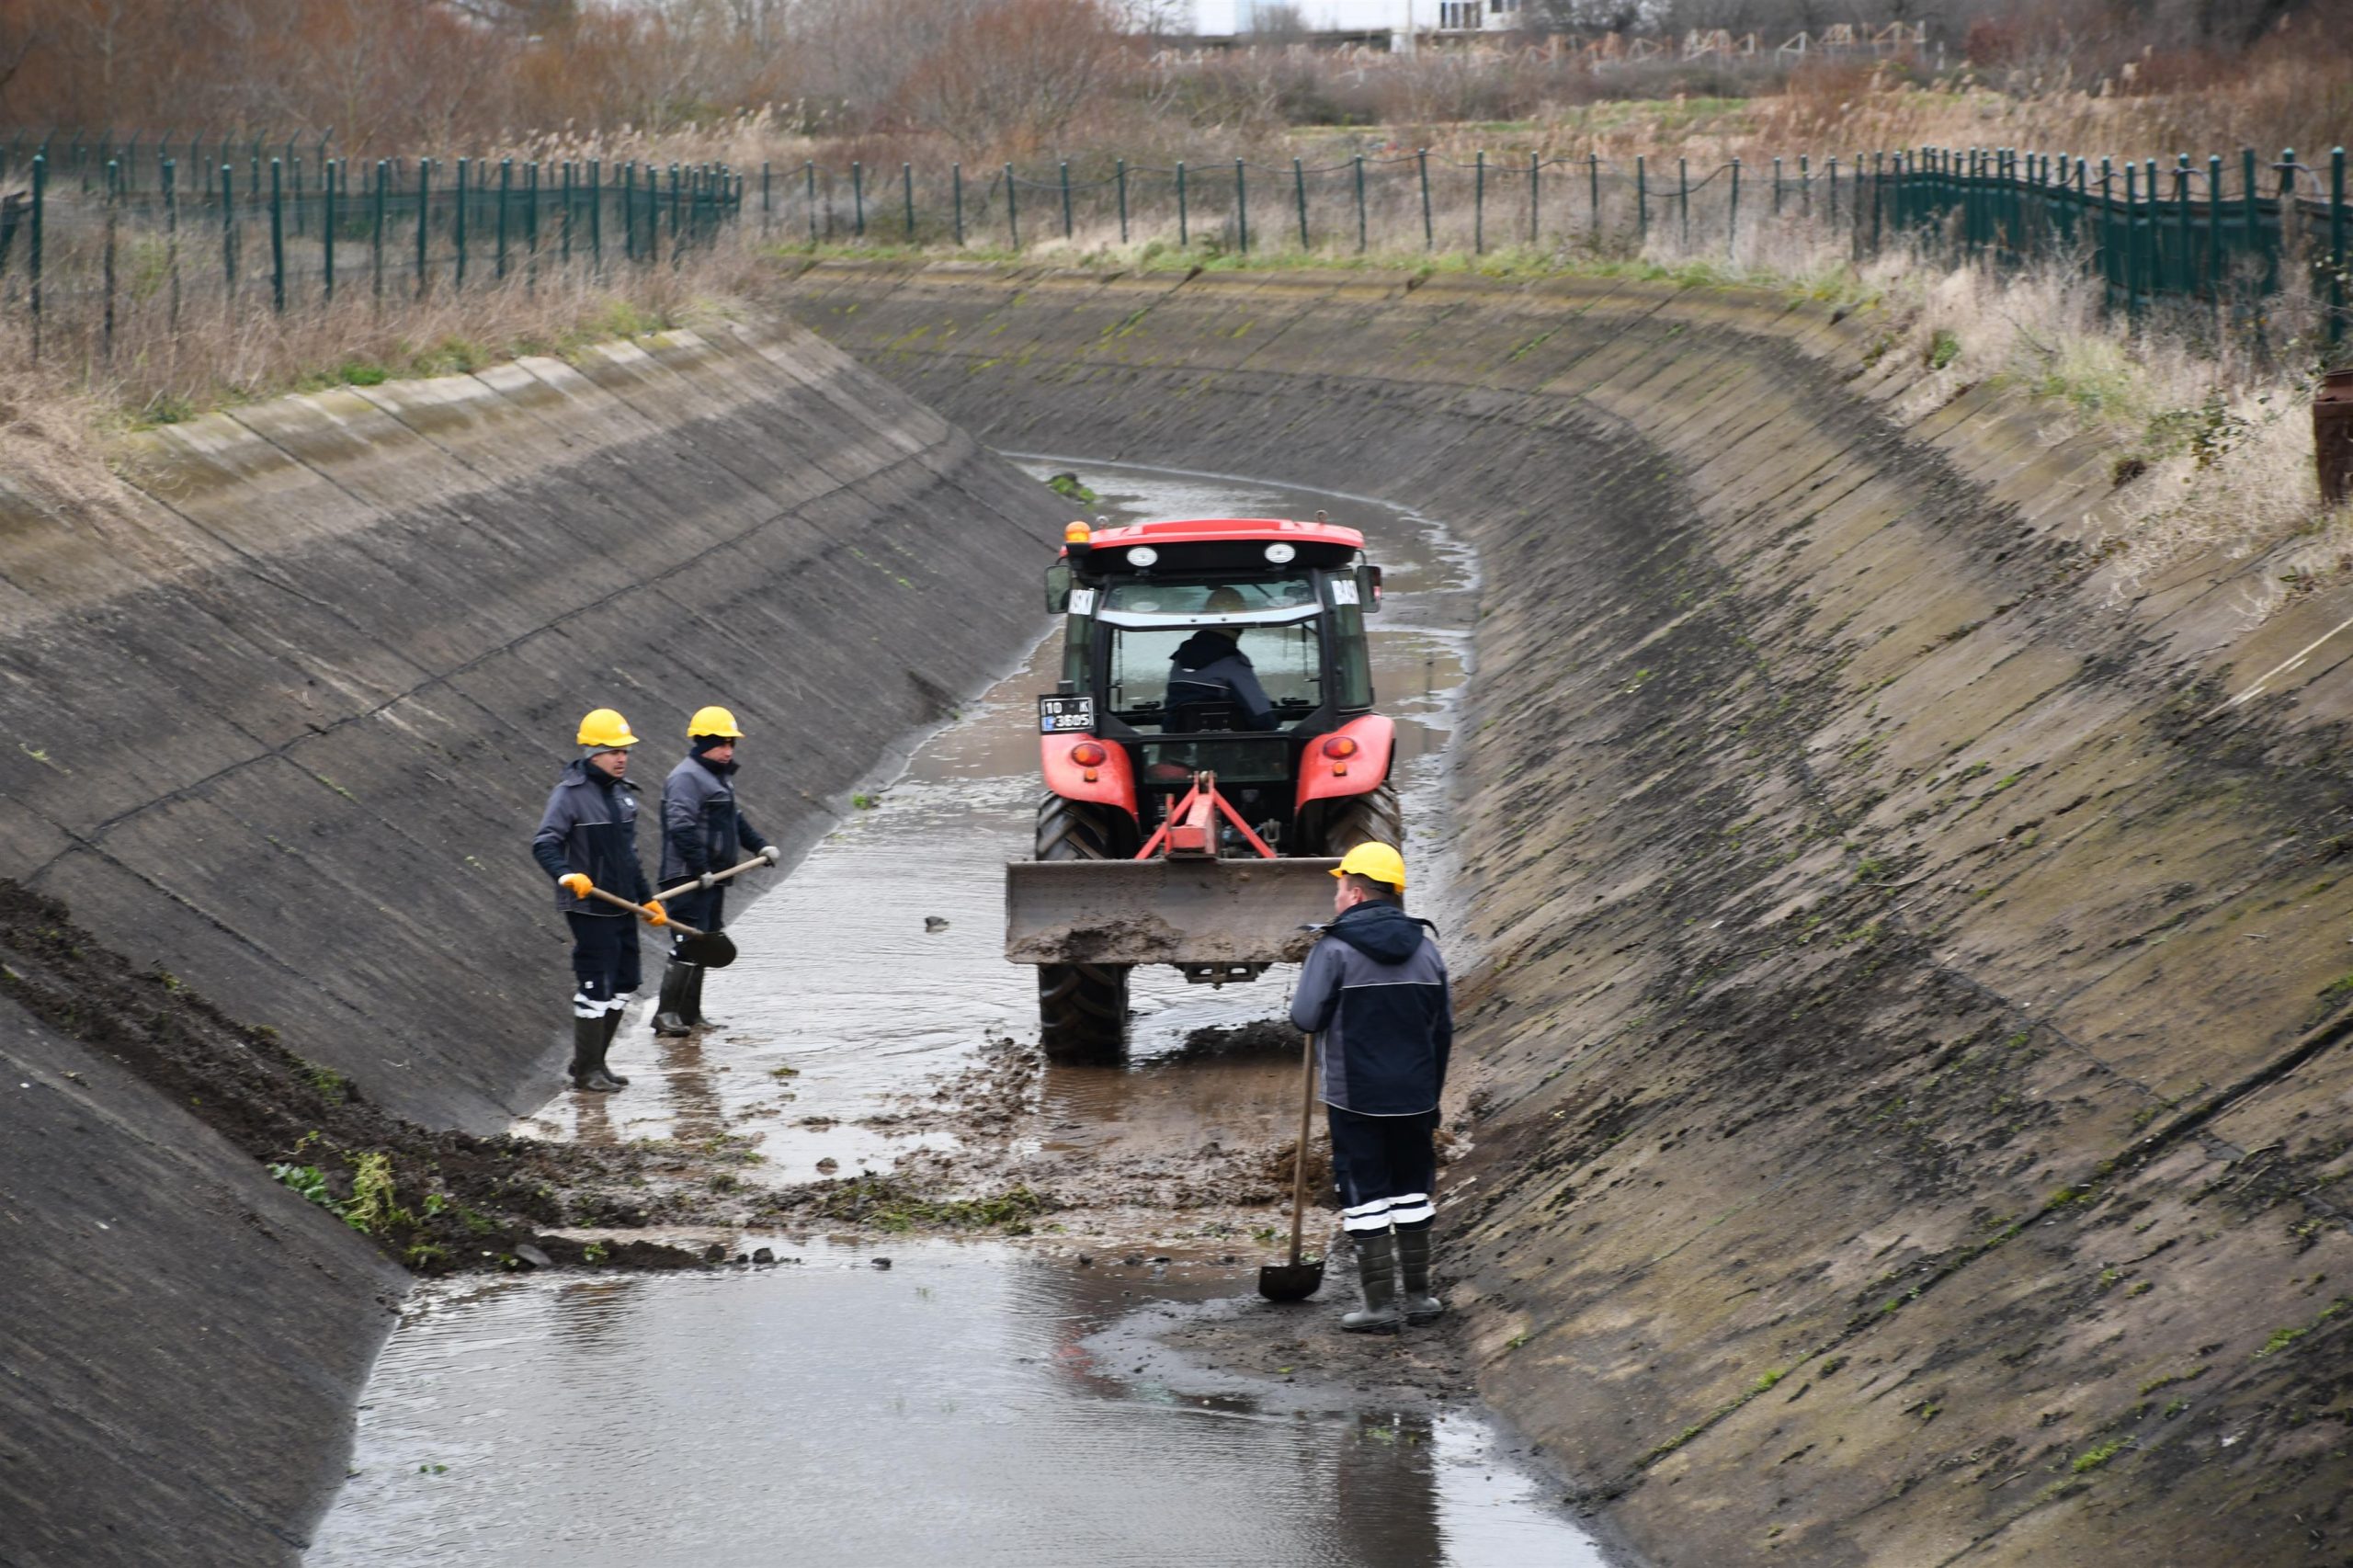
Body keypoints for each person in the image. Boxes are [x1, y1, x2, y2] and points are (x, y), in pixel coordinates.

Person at [1288, 842, 1452, 1333]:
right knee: (1412, 1189)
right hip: (1417, 1095)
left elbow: (1305, 1018)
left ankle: (1378, 1307)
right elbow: (1442, 1030)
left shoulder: (1333, 948)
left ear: (1356, 894)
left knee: (1364, 1193)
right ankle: (1420, 1299)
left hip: (1355, 1097)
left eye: (1339, 889)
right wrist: (1432, 1095)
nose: (1336, 899)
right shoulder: (1427, 949)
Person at [531, 709, 665, 1093]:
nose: (621, 757)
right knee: (596, 984)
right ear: (592, 752)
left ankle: (594, 1064)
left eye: (624, 751)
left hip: (622, 904)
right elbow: (545, 844)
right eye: (612, 751)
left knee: (626, 982)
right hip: (588, 906)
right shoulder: (569, 796)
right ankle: (587, 1072)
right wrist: (566, 875)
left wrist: (647, 901)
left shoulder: (623, 797)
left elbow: (630, 856)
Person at [654, 705, 779, 1035]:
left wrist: (760, 846)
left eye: (731, 744)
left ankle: (690, 1015)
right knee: (687, 942)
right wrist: (700, 869)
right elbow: (680, 827)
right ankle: (665, 1016)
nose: (728, 751)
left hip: (711, 879)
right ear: (702, 743)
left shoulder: (717, 778)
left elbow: (734, 821)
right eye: (722, 744)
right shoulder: (685, 777)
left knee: (704, 943)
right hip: (687, 877)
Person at [1165, 586, 1280, 732]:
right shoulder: (1233, 663)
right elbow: (1262, 718)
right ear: (1240, 623)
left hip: (1176, 750)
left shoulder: (1179, 661)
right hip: (1224, 750)